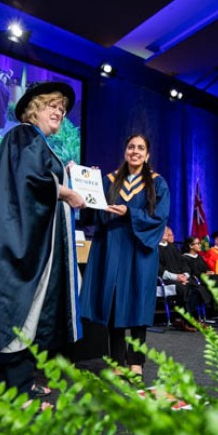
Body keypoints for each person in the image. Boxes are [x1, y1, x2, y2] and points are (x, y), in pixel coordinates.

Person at [0, 81, 85, 406]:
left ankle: (22, 381)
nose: (59, 112)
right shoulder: (23, 135)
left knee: (31, 314)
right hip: (21, 245)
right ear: (33, 108)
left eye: (62, 109)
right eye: (52, 105)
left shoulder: (33, 141)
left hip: (35, 244)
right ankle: (16, 391)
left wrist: (65, 176)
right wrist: (65, 191)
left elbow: (37, 176)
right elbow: (29, 181)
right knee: (21, 310)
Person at [80, 134, 170, 377]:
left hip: (139, 250)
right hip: (111, 246)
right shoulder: (109, 180)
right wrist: (88, 186)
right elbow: (93, 212)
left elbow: (159, 217)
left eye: (141, 148)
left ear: (147, 155)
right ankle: (118, 361)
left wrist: (130, 212)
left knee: (138, 305)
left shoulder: (157, 183)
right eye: (131, 147)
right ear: (125, 151)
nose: (135, 151)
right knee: (113, 302)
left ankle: (136, 362)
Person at [181, 235, 218, 322]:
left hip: (207, 278)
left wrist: (209, 272)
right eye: (198, 243)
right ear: (191, 246)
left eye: (200, 243)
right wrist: (204, 273)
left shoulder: (199, 257)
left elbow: (206, 269)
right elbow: (190, 273)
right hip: (198, 280)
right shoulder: (185, 258)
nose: (200, 245)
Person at [158, 226, 200, 332]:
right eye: (164, 230)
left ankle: (182, 319)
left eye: (167, 230)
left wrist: (185, 275)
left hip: (180, 278)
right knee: (183, 288)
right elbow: (158, 269)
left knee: (197, 287)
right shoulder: (155, 249)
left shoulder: (173, 248)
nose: (167, 232)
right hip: (164, 280)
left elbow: (183, 264)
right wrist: (177, 277)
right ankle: (188, 321)